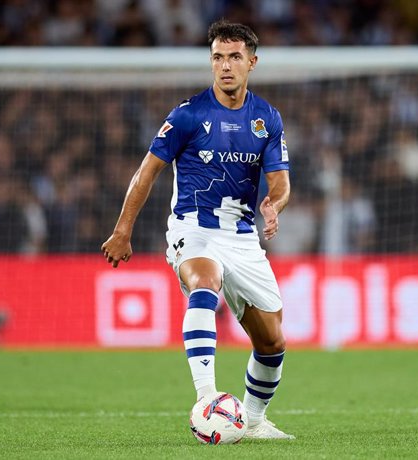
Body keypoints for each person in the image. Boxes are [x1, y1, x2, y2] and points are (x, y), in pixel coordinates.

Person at [101, 19, 294, 440]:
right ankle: (206, 399)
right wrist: (123, 230)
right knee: (205, 282)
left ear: (252, 63)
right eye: (218, 57)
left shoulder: (266, 118)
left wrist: (272, 204)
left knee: (273, 342)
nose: (225, 66)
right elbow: (147, 172)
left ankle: (255, 421)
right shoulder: (187, 115)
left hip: (242, 237)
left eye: (235, 57)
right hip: (194, 228)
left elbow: (279, 180)